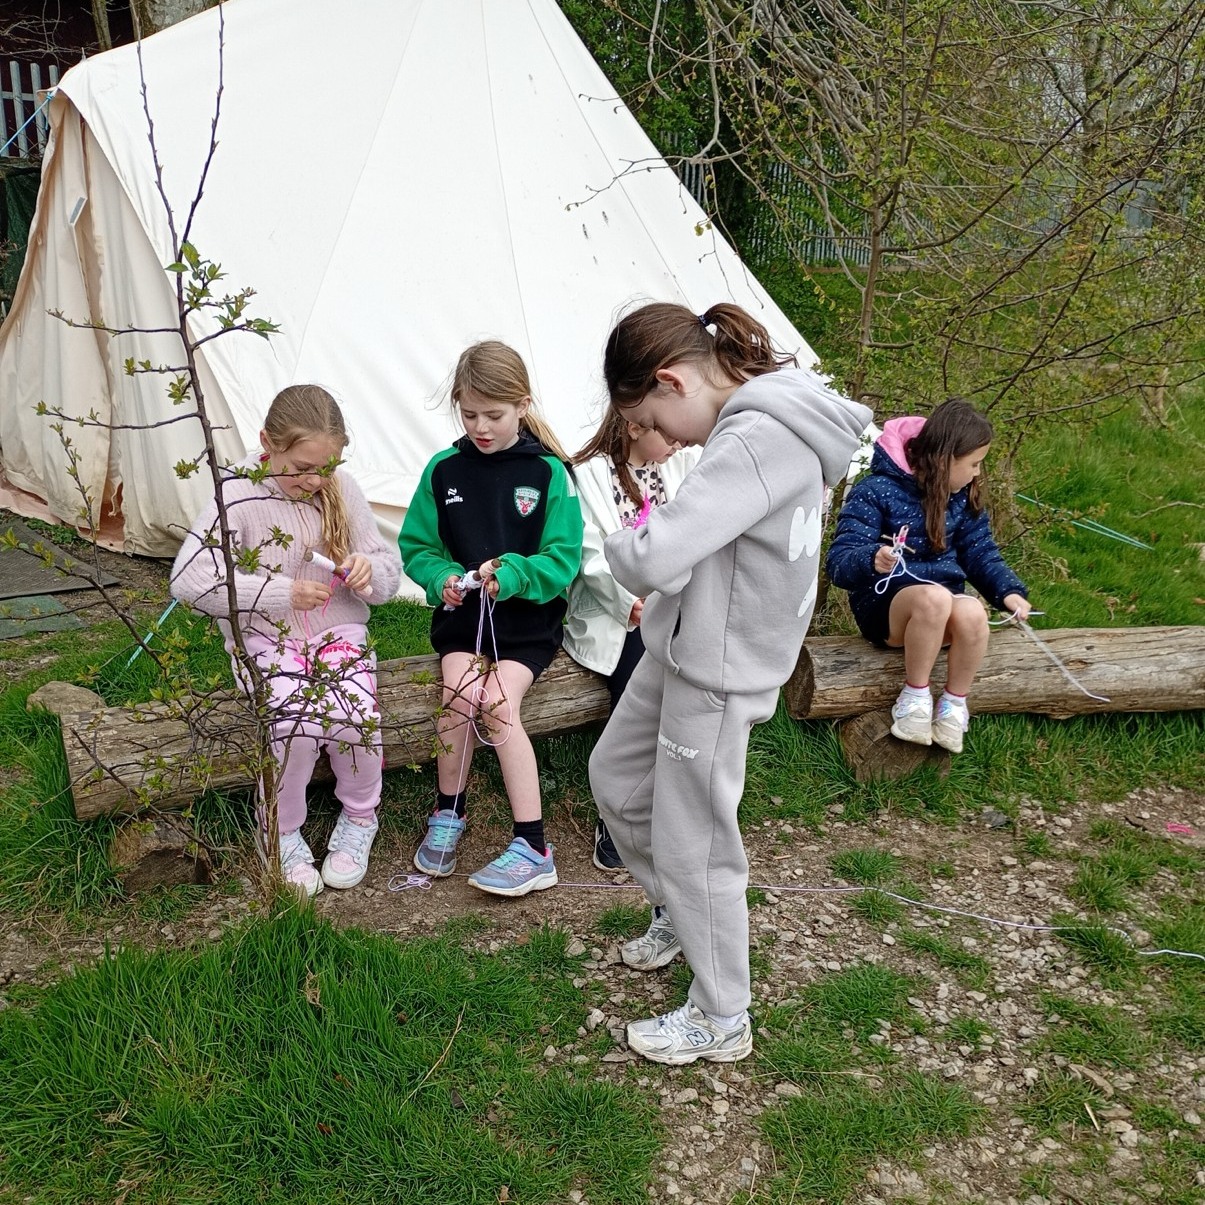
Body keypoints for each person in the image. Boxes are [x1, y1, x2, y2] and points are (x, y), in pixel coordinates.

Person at [587, 302, 871, 1065]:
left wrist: (617, 540)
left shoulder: (759, 436)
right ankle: (681, 915)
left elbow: (650, 554)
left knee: (697, 843)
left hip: (717, 673)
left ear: (671, 379)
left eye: (653, 418)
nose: (663, 441)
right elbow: (714, 546)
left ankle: (721, 1014)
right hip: (684, 646)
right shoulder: (752, 424)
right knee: (614, 777)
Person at [171, 385, 402, 898]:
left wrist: (368, 575)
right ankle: (283, 829)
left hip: (338, 632)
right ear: (266, 445)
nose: (313, 480)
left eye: (326, 467)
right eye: (300, 467)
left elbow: (388, 580)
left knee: (354, 715)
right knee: (293, 725)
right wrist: (278, 593)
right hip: (266, 636)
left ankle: (361, 817)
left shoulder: (341, 487)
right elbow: (188, 580)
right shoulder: (237, 493)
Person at [399, 341, 582, 897]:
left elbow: (564, 557)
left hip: (527, 627)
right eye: (469, 413)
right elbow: (418, 546)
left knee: (498, 703)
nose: (480, 426)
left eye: (494, 415)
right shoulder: (443, 469)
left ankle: (533, 845)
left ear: (522, 405)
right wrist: (441, 581)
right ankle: (447, 811)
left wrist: (518, 574)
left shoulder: (549, 472)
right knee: (457, 698)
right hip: (464, 622)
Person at [825, 398, 1030, 752]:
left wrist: (1007, 591)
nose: (977, 473)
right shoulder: (875, 491)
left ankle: (953, 706)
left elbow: (980, 553)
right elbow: (839, 563)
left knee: (971, 611)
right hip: (887, 611)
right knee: (934, 598)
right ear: (945, 459)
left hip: (941, 609)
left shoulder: (962, 498)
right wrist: (872, 558)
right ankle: (915, 698)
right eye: (973, 464)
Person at [564, 409, 699, 870]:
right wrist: (631, 603)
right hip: (617, 614)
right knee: (639, 675)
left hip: (680, 602)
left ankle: (674, 807)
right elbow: (588, 553)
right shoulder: (587, 475)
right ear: (635, 426)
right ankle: (619, 812)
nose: (679, 441)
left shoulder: (682, 463)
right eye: (668, 433)